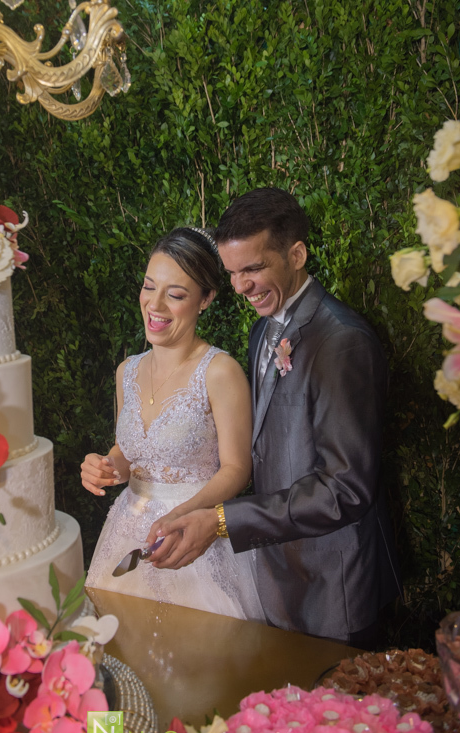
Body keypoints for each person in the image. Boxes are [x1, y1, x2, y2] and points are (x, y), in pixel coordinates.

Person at [147, 189, 402, 645]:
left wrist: (223, 520)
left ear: (297, 254)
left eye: (253, 268)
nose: (241, 286)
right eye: (232, 273)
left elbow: (345, 489)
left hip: (335, 585)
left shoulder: (342, 341)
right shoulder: (264, 329)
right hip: (278, 574)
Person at [82, 227, 264, 620]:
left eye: (176, 294)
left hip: (195, 538)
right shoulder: (126, 371)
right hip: (127, 536)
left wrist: (186, 514)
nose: (155, 304)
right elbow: (128, 452)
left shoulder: (219, 371)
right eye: (150, 287)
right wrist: (107, 467)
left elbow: (238, 468)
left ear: (206, 299)